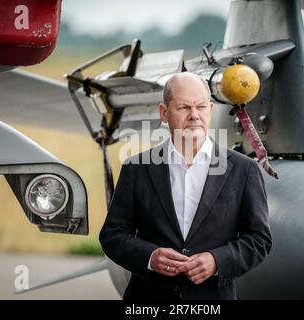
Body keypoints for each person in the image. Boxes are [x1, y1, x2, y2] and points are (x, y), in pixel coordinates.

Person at [99, 72, 271, 300]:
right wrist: (150, 257)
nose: (194, 116)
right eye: (183, 108)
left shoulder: (244, 170)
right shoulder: (137, 167)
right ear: (164, 112)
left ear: (210, 108)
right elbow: (112, 235)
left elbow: (259, 239)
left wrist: (217, 260)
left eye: (200, 107)